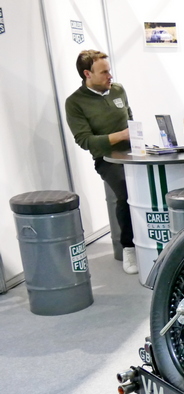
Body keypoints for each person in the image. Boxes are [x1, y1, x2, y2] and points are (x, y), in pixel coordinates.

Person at [65, 50, 137, 275]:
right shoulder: (75, 103)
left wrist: (135, 136)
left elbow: (130, 118)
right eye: (104, 72)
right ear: (87, 73)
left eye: (109, 70)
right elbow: (85, 141)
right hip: (108, 159)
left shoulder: (118, 90)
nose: (110, 75)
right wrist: (120, 136)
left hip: (135, 153)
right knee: (127, 192)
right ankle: (129, 248)